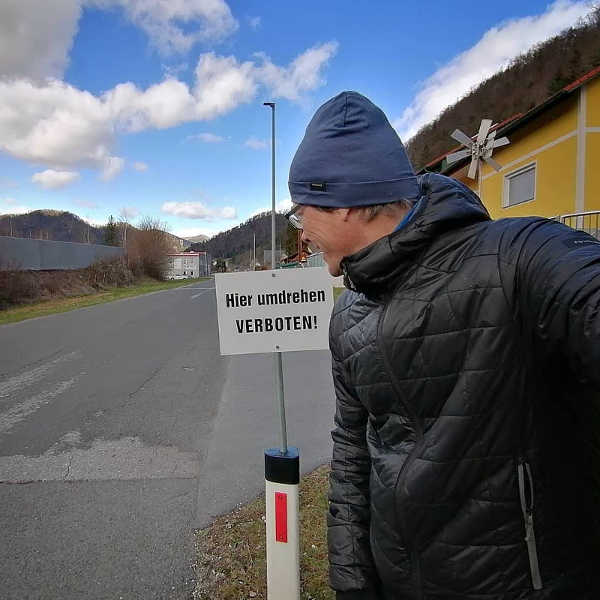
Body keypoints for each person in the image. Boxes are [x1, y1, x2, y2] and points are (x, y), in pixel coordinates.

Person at [286, 91, 600, 599]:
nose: (302, 234)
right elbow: (352, 453)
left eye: (302, 213)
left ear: (342, 203)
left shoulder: (521, 258)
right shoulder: (347, 314)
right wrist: (350, 582)